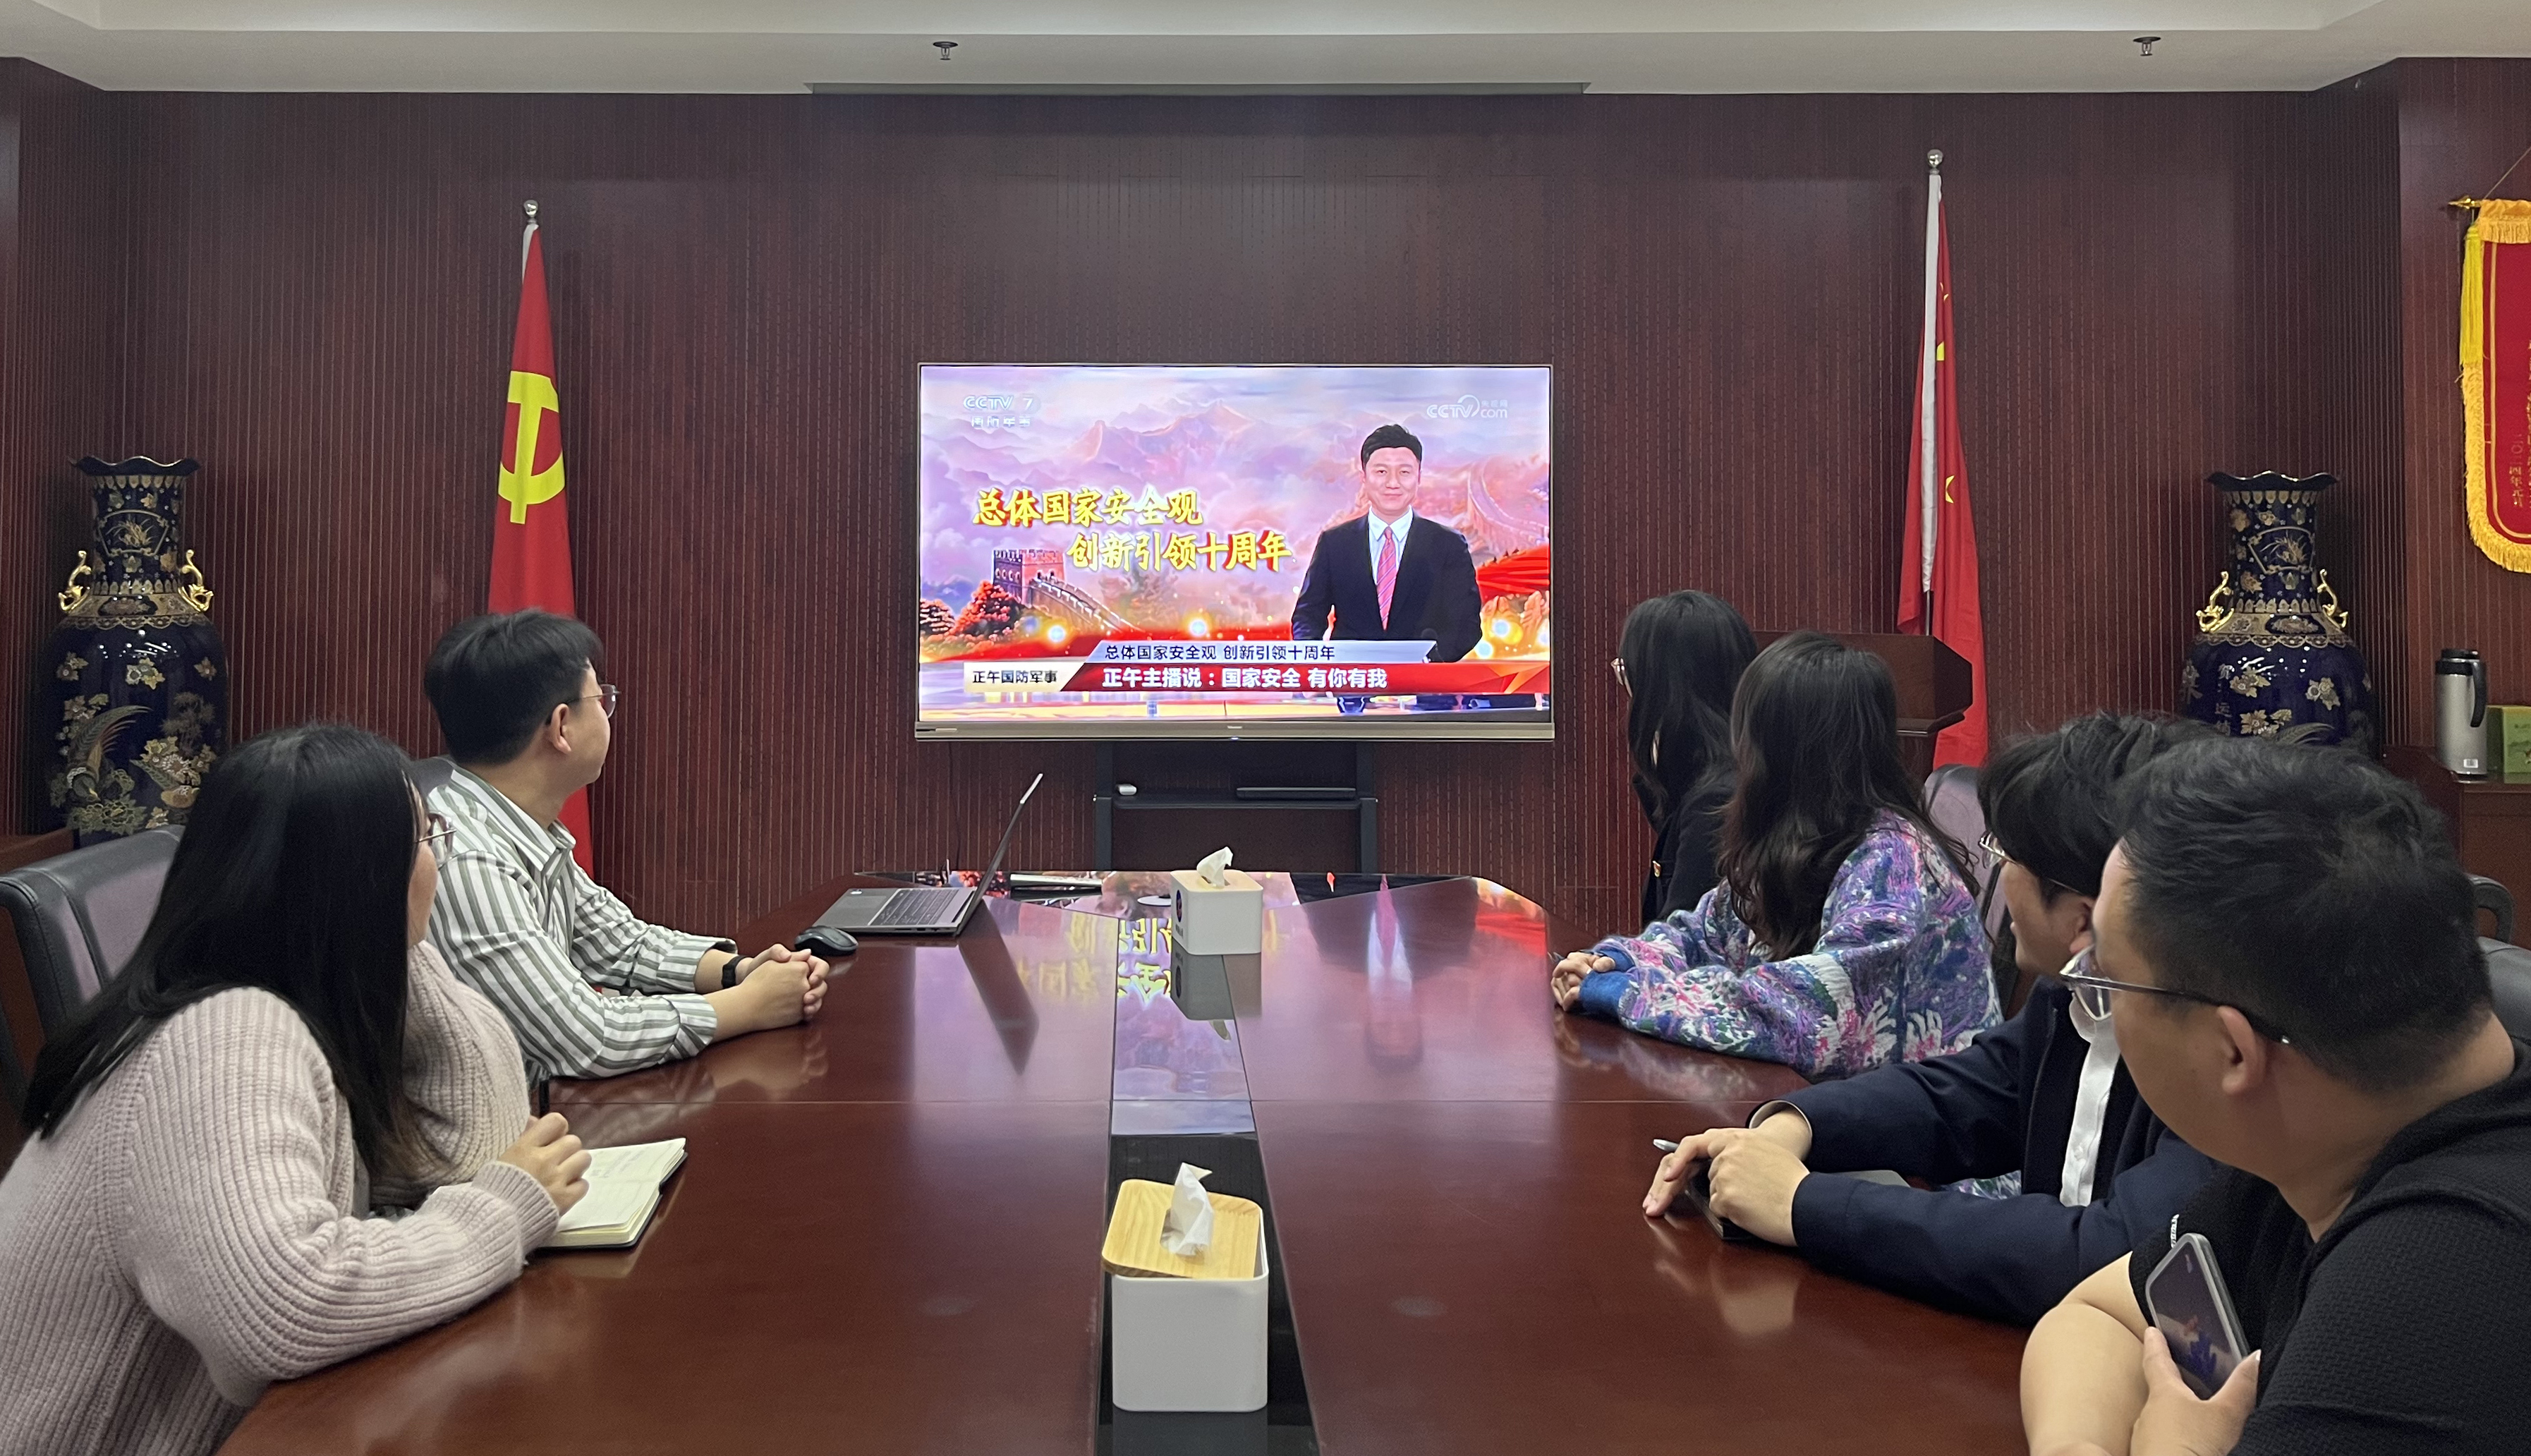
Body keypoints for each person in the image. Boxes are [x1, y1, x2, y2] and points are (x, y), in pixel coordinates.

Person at [0, 724, 590, 1455]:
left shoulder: (280, 1007)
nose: (437, 859)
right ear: (362, 878)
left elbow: (465, 1155)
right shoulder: (222, 1036)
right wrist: (503, 1210)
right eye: (425, 838)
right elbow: (284, 1311)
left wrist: (394, 940)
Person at [2021, 737, 2531, 1455]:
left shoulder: (2438, 1290)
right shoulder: (2338, 1132)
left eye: (2106, 974)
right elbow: (2099, 1316)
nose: (2089, 982)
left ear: (2232, 1050)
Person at [1639, 714, 2219, 1324]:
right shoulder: (2077, 992)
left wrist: (1803, 1204)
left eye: (2007, 854)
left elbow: (2108, 1255)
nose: (2000, 875)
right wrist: (1797, 1126)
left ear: (2083, 920)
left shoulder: (2212, 1052)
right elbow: (1971, 1093)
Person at [1550, 631, 1995, 1076]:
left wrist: (1627, 993)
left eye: (1747, 735)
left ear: (1782, 754)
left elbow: (1805, 1013)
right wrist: (1620, 961)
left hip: (1920, 1115)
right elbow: (1702, 937)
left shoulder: (1893, 863)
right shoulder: (1801, 837)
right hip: (1833, 1099)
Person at [423, 610, 826, 1084]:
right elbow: (587, 1038)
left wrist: (741, 971)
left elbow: (621, 945)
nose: (608, 712)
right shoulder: (464, 856)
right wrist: (752, 1004)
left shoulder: (513, 819)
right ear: (561, 727)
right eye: (601, 699)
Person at [1613, 590, 1758, 922]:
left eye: (1627, 676)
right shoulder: (1735, 775)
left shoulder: (1716, 804)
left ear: (1661, 690)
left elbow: (1682, 943)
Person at [1287, 422, 1483, 665]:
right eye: (1381, 472)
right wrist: (1315, 663)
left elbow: (1466, 624)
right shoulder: (1335, 543)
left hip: (1423, 681)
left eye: (1404, 472)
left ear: (1418, 477)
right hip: (1353, 679)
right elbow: (1308, 615)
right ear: (1364, 477)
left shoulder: (1448, 545)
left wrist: (1431, 662)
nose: (1393, 483)